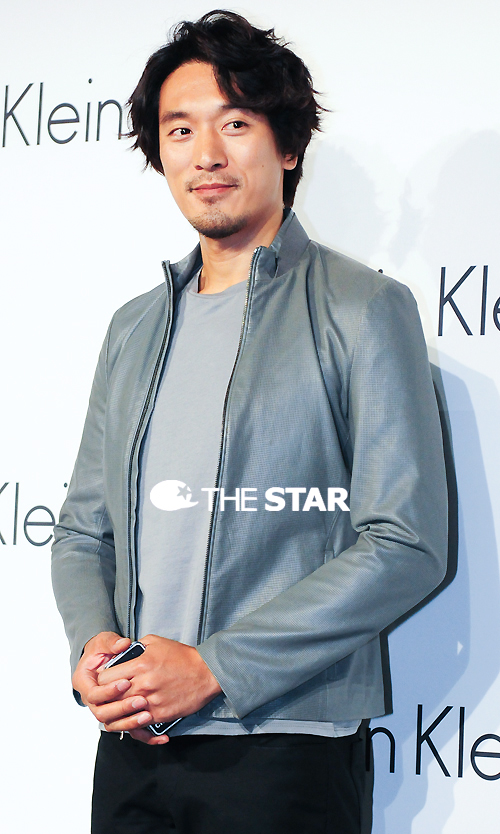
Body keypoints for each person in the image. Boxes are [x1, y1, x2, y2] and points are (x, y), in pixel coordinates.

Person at [51, 10, 448, 834]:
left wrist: (215, 667)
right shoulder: (134, 326)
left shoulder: (364, 308)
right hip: (134, 748)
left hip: (286, 748)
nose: (206, 153)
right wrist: (95, 649)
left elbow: (406, 542)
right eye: (181, 130)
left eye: (234, 123)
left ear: (287, 145)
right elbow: (84, 530)